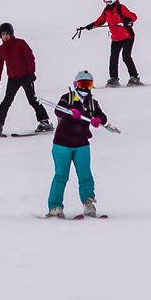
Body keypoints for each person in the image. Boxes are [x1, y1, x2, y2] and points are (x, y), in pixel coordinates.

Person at [46, 72, 113, 218]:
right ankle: (55, 207)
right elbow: (58, 110)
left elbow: (102, 117)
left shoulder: (92, 103)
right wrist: (70, 112)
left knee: (85, 175)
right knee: (61, 175)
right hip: (62, 144)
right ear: (76, 84)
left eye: (88, 85)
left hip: (82, 144)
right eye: (82, 84)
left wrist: (98, 119)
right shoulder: (68, 98)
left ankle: (88, 202)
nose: (85, 88)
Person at [0, 24, 49, 135]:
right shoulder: (1, 50)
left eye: (7, 34)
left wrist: (31, 73)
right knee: (6, 101)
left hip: (26, 77)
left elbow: (30, 58)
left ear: (11, 34)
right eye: (3, 34)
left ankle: (44, 122)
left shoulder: (20, 43)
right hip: (13, 79)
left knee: (32, 99)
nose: (5, 36)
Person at [76, 0, 140, 86]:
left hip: (127, 36)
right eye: (106, 1)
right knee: (113, 58)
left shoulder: (121, 8)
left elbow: (134, 17)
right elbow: (100, 21)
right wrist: (90, 26)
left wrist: (128, 21)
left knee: (126, 57)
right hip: (116, 38)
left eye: (110, 1)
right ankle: (114, 79)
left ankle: (134, 78)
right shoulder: (106, 11)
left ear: (115, 0)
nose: (108, 3)